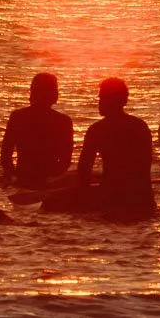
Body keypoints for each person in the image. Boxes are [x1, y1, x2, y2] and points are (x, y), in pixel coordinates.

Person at [57, 77, 154, 221]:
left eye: (102, 98)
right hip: (143, 198)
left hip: (113, 198)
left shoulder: (97, 130)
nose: (99, 103)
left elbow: (84, 174)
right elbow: (144, 167)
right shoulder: (140, 126)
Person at [0, 72, 74, 189]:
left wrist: (13, 175)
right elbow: (66, 160)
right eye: (53, 89)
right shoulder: (63, 121)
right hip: (43, 179)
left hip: (27, 178)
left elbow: (5, 155)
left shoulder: (18, 116)